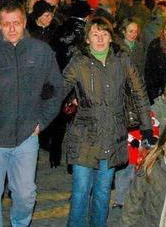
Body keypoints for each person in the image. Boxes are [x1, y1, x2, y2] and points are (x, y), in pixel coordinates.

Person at [0, 0, 64, 227]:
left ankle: (20, 223)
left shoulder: (41, 52)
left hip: (26, 138)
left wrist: (41, 123)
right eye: (6, 24)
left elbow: (56, 90)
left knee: (26, 196)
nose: (12, 29)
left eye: (16, 23)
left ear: (25, 22)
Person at [62, 16, 153, 227]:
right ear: (87, 39)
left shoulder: (122, 60)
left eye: (104, 34)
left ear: (111, 38)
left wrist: (147, 126)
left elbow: (139, 92)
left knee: (103, 194)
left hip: (112, 136)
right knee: (80, 193)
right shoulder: (79, 63)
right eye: (95, 34)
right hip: (84, 135)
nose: (100, 39)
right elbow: (59, 90)